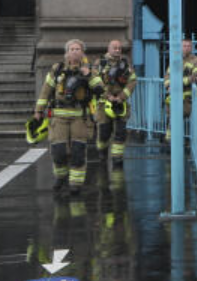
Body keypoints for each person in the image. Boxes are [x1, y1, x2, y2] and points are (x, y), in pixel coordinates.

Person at [33, 40, 102, 194]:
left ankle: (75, 184)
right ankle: (61, 177)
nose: (75, 51)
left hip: (80, 117)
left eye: (78, 49)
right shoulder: (57, 69)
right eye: (72, 49)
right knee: (58, 151)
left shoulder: (90, 70)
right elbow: (46, 91)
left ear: (83, 52)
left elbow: (100, 89)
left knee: (78, 151)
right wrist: (39, 110)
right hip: (59, 117)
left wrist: (88, 75)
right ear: (67, 52)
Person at [93, 39, 137, 166]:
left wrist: (122, 96)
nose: (117, 50)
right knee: (104, 132)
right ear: (109, 49)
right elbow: (95, 82)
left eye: (119, 48)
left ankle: (117, 158)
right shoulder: (99, 63)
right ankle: (102, 151)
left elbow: (132, 81)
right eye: (115, 48)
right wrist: (108, 96)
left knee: (121, 132)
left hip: (120, 103)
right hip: (103, 104)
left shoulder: (125, 63)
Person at [164, 38, 197, 142]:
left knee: (183, 121)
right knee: (171, 119)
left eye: (188, 46)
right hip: (173, 97)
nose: (186, 48)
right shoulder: (175, 59)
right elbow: (167, 76)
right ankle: (170, 143)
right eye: (184, 46)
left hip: (188, 98)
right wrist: (168, 86)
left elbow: (196, 77)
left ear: (192, 47)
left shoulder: (196, 60)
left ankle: (187, 142)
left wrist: (177, 83)